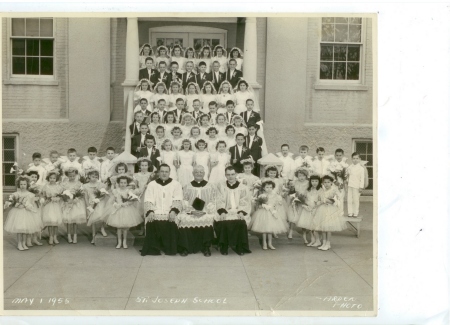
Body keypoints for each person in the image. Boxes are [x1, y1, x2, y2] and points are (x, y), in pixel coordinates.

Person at [141, 164, 183, 256]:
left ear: (169, 172)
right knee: (151, 219)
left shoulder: (176, 184)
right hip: (156, 210)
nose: (164, 173)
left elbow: (178, 199)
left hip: (170, 210)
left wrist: (173, 210)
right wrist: (150, 211)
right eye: (162, 171)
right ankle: (154, 249)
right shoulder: (152, 184)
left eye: (166, 171)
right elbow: (148, 199)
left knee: (172, 219)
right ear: (159, 172)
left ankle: (169, 249)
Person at [177, 165, 217, 257]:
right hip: (190, 211)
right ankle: (185, 247)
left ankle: (206, 247)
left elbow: (213, 200)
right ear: (193, 173)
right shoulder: (187, 186)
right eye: (196, 172)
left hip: (206, 211)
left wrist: (205, 210)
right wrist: (191, 211)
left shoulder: (210, 186)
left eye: (201, 172)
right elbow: (184, 200)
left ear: (204, 173)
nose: (199, 174)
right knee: (184, 220)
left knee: (207, 219)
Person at [214, 166, 251, 255]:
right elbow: (219, 199)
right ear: (225, 175)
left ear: (236, 175)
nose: (230, 176)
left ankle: (239, 247)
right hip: (225, 210)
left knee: (240, 222)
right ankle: (224, 246)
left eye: (232, 174)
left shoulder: (242, 187)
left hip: (238, 210)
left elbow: (245, 201)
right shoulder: (221, 186)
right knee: (223, 220)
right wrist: (222, 211)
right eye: (228, 174)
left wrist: (241, 211)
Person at [3, 176, 42, 251]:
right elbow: (12, 202)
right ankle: (19, 243)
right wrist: (16, 204)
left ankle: (24, 243)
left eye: (24, 184)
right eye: (21, 184)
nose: (22, 186)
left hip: (27, 213)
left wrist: (29, 206)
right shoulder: (16, 194)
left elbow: (33, 204)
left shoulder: (30, 194)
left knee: (25, 229)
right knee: (19, 229)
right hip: (18, 213)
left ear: (27, 185)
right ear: (18, 185)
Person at [250, 180, 289, 250]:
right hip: (263, 213)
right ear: (264, 188)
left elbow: (277, 204)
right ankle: (264, 243)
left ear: (273, 188)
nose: (269, 189)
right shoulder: (261, 195)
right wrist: (263, 205)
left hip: (272, 213)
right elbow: (258, 206)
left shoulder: (275, 196)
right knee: (264, 229)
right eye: (267, 187)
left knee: (270, 230)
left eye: (270, 187)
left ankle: (270, 243)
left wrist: (277, 205)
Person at [312, 175, 347, 251]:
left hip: (330, 210)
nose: (326, 184)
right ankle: (324, 243)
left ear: (331, 183)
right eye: (325, 182)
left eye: (328, 182)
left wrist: (326, 201)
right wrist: (318, 202)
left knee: (328, 228)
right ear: (322, 183)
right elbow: (319, 199)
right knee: (323, 228)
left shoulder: (334, 190)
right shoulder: (322, 191)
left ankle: (328, 243)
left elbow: (335, 201)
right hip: (322, 210)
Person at [107, 175, 142, 249]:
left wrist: (125, 204)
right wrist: (116, 204)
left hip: (126, 209)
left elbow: (131, 201)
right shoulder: (116, 191)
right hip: (118, 210)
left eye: (124, 183)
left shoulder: (129, 191)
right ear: (118, 183)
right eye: (121, 183)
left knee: (125, 228)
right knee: (119, 228)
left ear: (127, 184)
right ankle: (119, 242)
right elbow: (112, 200)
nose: (123, 184)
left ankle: (124, 242)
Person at [61, 168, 86, 244]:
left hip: (76, 203)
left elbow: (82, 193)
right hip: (68, 203)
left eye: (73, 176)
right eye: (70, 176)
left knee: (75, 221)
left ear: (76, 175)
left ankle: (75, 236)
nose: (72, 177)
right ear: (67, 176)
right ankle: (69, 236)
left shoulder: (79, 184)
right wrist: (67, 199)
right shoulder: (64, 184)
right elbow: (62, 194)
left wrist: (76, 199)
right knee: (69, 221)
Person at [84, 169, 109, 243]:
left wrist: (98, 200)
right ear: (89, 176)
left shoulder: (101, 185)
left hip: (100, 202)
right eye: (92, 176)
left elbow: (103, 195)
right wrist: (88, 206)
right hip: (91, 203)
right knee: (93, 220)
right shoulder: (85, 186)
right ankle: (93, 235)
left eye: (96, 177)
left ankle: (102, 228)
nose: (94, 178)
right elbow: (85, 197)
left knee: (101, 216)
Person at [133, 158, 157, 235]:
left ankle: (148, 228)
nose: (144, 167)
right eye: (142, 165)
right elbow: (135, 186)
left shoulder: (151, 175)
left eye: (145, 165)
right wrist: (137, 190)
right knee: (140, 212)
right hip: (140, 194)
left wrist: (148, 186)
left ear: (148, 166)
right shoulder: (136, 175)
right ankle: (142, 229)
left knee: (148, 211)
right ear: (139, 166)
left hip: (148, 194)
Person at [299, 174, 322, 247]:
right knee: (309, 225)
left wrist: (315, 206)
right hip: (308, 209)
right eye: (313, 181)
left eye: (316, 181)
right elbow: (304, 199)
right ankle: (312, 240)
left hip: (316, 209)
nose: (314, 183)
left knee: (315, 225)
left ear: (319, 182)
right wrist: (305, 205)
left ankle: (317, 240)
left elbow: (321, 200)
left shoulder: (320, 190)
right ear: (310, 182)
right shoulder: (308, 190)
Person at [286, 168, 309, 240]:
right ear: (297, 176)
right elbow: (292, 191)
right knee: (293, 217)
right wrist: (294, 195)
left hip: (304, 201)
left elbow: (309, 192)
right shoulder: (295, 182)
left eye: (303, 176)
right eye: (300, 176)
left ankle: (304, 233)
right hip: (296, 200)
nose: (301, 177)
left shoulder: (308, 183)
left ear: (306, 176)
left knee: (303, 218)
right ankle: (291, 232)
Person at [41, 171, 64, 245]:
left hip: (56, 205)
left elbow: (61, 196)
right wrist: (44, 201)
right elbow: (44, 196)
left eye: (54, 178)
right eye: (50, 178)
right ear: (48, 178)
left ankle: (55, 237)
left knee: (55, 222)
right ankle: (50, 236)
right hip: (49, 205)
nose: (52, 179)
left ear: (56, 179)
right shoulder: (46, 186)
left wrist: (57, 198)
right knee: (50, 222)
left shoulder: (59, 187)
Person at [346, 152, 365, 218]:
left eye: (357, 158)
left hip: (357, 186)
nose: (355, 160)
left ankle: (355, 212)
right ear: (352, 159)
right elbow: (347, 176)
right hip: (350, 185)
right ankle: (350, 212)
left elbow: (362, 178)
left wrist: (361, 187)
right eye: (354, 158)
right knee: (349, 199)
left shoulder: (361, 168)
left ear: (359, 159)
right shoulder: (349, 167)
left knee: (355, 200)